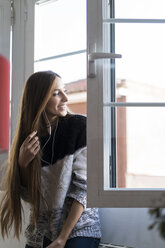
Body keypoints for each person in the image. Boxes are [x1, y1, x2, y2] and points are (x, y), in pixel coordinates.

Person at [0, 71, 101, 248]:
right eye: (56, 94)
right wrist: (23, 165)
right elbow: (30, 198)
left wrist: (62, 238)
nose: (65, 99)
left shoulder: (80, 126)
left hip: (79, 228)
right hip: (42, 231)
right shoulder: (29, 139)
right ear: (39, 100)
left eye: (64, 91)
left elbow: (84, 189)